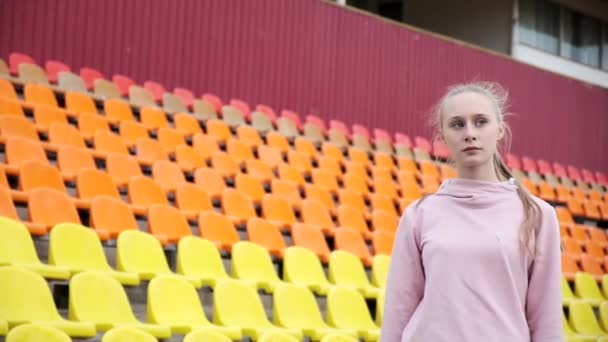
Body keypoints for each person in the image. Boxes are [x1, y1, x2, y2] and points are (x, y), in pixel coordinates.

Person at [380, 82, 563, 341]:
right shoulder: (419, 215)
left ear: (499, 129)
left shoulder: (538, 215)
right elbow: (399, 309)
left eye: (480, 122)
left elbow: (547, 320)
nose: (469, 133)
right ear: (442, 136)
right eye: (457, 124)